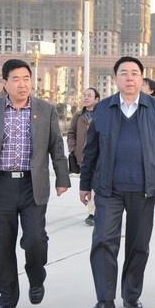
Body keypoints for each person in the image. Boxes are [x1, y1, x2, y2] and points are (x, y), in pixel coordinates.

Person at [0, 58, 70, 308]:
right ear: (5, 83)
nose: (23, 84)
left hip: (33, 185)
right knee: (2, 246)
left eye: (27, 79)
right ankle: (7, 297)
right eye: (16, 79)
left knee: (35, 239)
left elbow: (57, 146)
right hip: (0, 185)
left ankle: (36, 277)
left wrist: (62, 178)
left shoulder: (45, 109)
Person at [79, 56, 155, 308]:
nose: (129, 77)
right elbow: (91, 150)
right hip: (108, 189)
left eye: (134, 73)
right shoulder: (103, 108)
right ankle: (104, 300)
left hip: (144, 189)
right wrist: (85, 184)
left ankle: (131, 295)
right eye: (124, 73)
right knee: (103, 242)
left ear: (142, 78)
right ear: (116, 79)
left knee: (138, 245)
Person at [67, 87, 100, 225]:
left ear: (97, 99)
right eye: (84, 95)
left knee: (96, 183)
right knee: (88, 183)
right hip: (82, 156)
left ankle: (93, 213)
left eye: (89, 95)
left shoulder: (103, 114)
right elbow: (71, 133)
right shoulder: (78, 116)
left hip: (98, 156)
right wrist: (73, 149)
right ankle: (93, 212)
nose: (86, 98)